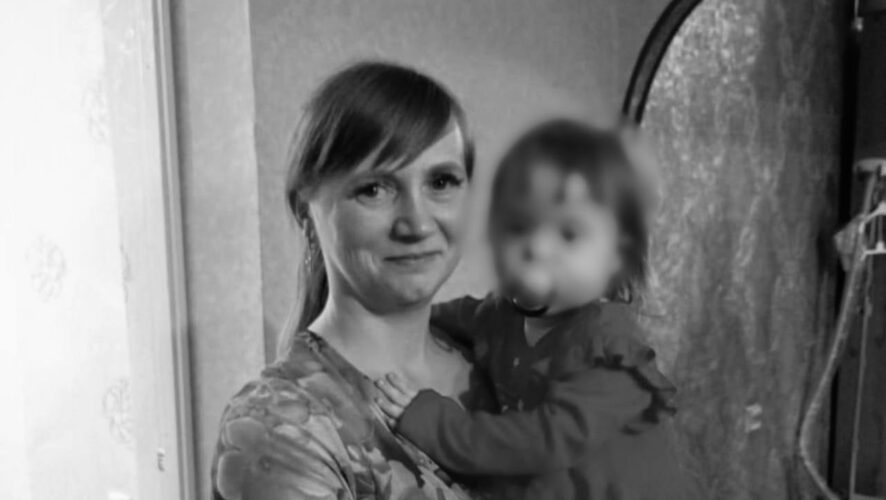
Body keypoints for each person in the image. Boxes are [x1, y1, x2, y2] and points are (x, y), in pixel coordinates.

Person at [210, 61, 494, 500]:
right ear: (306, 210)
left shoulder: (504, 355)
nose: (417, 223)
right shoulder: (278, 434)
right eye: (374, 189)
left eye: (441, 181)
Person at [375, 119, 693, 499]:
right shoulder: (503, 314)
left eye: (569, 233)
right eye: (520, 225)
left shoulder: (608, 349)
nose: (538, 248)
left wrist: (434, 422)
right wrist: (404, 311)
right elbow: (463, 314)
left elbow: (540, 442)